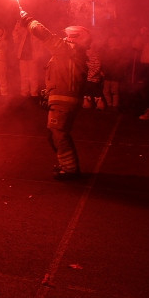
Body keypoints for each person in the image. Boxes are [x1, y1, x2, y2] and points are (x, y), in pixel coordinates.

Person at [20, 10, 89, 180]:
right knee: (54, 134)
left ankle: (70, 169)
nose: (64, 39)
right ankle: (66, 165)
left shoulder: (69, 50)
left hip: (64, 101)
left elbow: (46, 36)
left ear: (74, 38)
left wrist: (29, 20)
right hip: (63, 99)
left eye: (68, 37)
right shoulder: (70, 53)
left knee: (58, 132)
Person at [12, 18, 40, 100]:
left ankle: (34, 93)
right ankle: (24, 92)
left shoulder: (35, 32)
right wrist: (16, 28)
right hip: (23, 56)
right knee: (24, 76)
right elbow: (15, 39)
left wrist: (38, 55)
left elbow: (39, 45)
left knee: (33, 76)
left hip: (32, 57)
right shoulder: (22, 31)